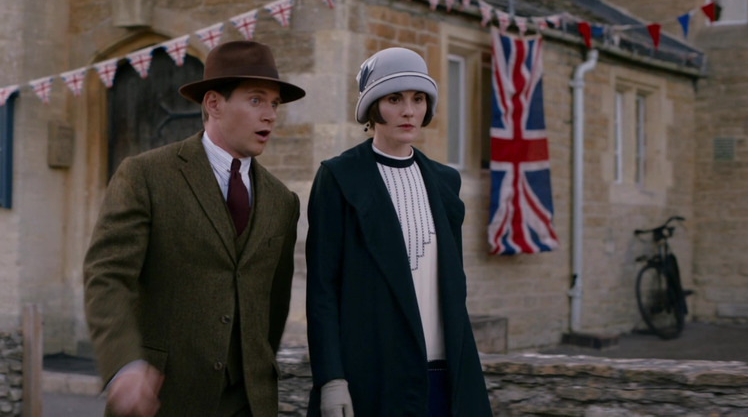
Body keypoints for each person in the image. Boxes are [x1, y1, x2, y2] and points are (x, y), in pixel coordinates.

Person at [83, 40, 305, 417]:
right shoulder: (146, 175)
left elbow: (273, 304)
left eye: (274, 104)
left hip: (250, 403)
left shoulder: (283, 202)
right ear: (213, 104)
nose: (269, 115)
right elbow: (106, 278)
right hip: (163, 398)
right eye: (255, 100)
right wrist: (124, 363)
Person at [305, 47, 493, 416]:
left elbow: (452, 286)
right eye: (395, 99)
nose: (409, 111)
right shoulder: (340, 177)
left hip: (446, 373)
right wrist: (331, 378)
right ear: (373, 107)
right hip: (374, 374)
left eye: (418, 99)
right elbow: (322, 290)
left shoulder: (445, 181)